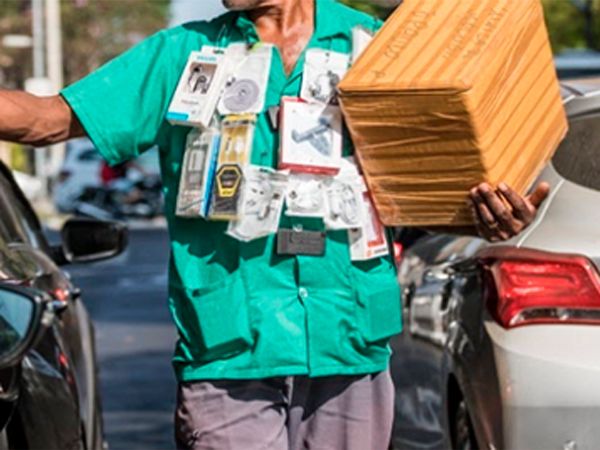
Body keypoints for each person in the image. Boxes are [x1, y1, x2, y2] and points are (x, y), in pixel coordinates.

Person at [0, 0, 550, 448]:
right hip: (228, 350)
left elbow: (442, 175)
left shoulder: (378, 48)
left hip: (348, 340)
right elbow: (47, 121)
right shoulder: (182, 54)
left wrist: (491, 217)